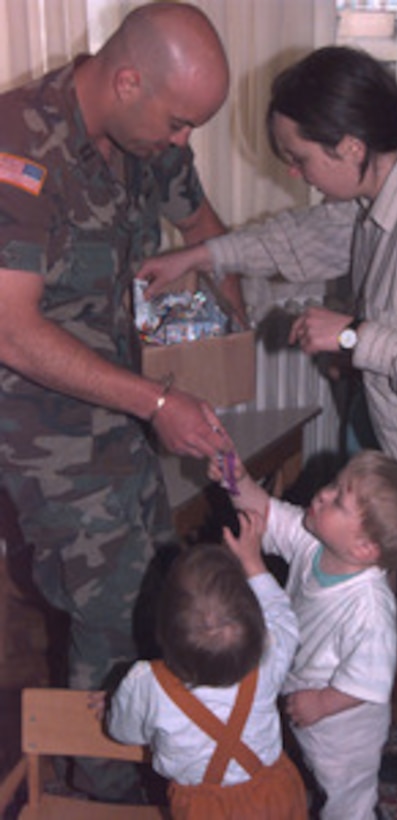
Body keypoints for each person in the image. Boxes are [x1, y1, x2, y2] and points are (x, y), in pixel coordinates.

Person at [138, 45, 397, 820]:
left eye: (299, 156)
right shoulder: (386, 197)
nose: (296, 171)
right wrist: (202, 253)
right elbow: (305, 238)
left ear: (350, 147)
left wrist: (357, 337)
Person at [0, 1, 243, 801]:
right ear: (129, 78)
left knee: (150, 591)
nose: (182, 141)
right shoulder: (19, 145)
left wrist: (225, 316)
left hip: (137, 406)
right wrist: (155, 402)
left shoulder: (149, 132)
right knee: (108, 618)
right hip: (50, 430)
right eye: (178, 122)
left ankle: (148, 757)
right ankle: (98, 793)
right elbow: (11, 332)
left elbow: (201, 224)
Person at [208, 446, 397, 820]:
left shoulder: (370, 608)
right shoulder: (314, 541)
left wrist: (322, 703)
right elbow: (266, 512)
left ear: (364, 547)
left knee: (347, 794)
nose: (322, 494)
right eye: (333, 484)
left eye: (337, 500)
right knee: (306, 769)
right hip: (304, 685)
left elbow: (369, 681)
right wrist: (236, 479)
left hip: (343, 726)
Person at [106, 538, 308, 819]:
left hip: (204, 809)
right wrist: (253, 562)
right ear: (256, 623)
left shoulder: (147, 684)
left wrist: (117, 701)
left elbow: (124, 732)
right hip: (273, 792)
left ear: (161, 629)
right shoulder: (270, 654)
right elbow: (283, 616)